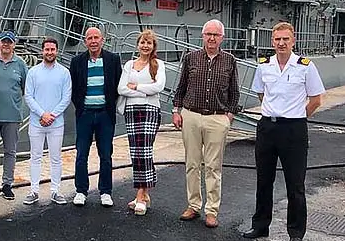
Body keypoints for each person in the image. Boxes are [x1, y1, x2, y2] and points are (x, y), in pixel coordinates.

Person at [242, 22, 325, 241]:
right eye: (277, 39)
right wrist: (274, 114)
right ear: (272, 41)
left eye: (285, 39)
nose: (281, 43)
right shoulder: (264, 66)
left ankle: (296, 233)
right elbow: (261, 93)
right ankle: (260, 225)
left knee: (295, 183)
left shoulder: (305, 67)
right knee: (263, 180)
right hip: (268, 127)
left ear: (293, 40)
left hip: (294, 130)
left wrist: (297, 116)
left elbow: (316, 99)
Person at [172, 19, 239, 228]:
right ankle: (193, 205)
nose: (211, 38)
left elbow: (234, 91)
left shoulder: (230, 60)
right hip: (191, 115)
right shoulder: (191, 58)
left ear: (222, 38)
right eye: (208, 34)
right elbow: (181, 86)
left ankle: (211, 211)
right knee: (192, 163)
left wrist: (228, 116)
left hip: (217, 118)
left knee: (213, 166)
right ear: (202, 36)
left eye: (216, 35)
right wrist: (176, 110)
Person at [69, 27, 122, 207]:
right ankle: (81, 191)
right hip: (85, 114)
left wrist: (108, 107)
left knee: (106, 154)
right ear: (85, 42)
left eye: (96, 38)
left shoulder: (113, 60)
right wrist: (82, 107)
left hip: (105, 115)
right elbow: (74, 89)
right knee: (81, 154)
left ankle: (105, 191)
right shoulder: (76, 61)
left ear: (102, 40)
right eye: (89, 38)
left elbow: (117, 86)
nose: (93, 41)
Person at [117, 30, 166, 216]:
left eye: (149, 43)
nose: (145, 46)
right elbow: (121, 88)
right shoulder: (129, 65)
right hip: (131, 111)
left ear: (153, 47)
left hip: (150, 111)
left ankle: (139, 195)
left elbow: (158, 87)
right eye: (142, 42)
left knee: (144, 151)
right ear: (138, 44)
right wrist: (146, 91)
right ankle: (144, 193)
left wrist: (136, 87)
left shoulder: (158, 64)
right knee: (135, 152)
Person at [23, 37, 72, 205]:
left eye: (52, 49)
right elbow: (28, 96)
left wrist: (52, 115)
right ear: (42, 51)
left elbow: (66, 98)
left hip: (56, 124)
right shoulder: (33, 72)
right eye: (47, 49)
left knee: (55, 157)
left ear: (56, 51)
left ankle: (55, 190)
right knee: (35, 156)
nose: (49, 52)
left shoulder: (64, 73)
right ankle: (34, 190)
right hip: (37, 122)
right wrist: (42, 114)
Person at [0, 30, 28, 201]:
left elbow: (24, 87)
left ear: (14, 44)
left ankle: (7, 184)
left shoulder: (21, 64)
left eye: (9, 42)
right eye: (3, 41)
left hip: (12, 115)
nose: (6, 45)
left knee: (10, 151)